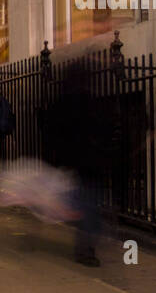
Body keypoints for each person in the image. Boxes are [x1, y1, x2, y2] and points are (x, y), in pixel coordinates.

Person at [42, 64, 110, 266]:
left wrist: (58, 160)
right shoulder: (90, 100)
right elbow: (100, 128)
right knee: (89, 204)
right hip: (88, 160)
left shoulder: (61, 102)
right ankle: (86, 248)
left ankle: (86, 244)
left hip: (74, 161)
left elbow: (51, 132)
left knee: (85, 203)